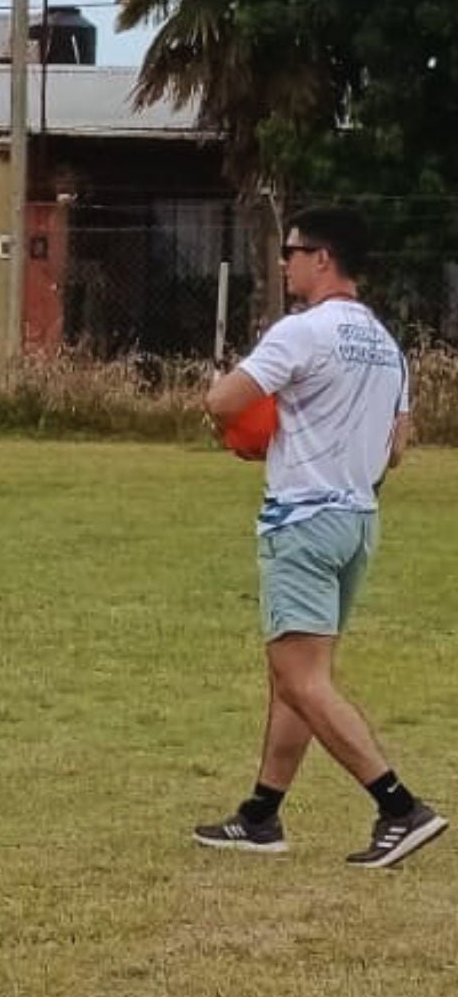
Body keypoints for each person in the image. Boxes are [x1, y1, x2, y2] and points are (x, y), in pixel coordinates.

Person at [195, 207, 442, 868]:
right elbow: (397, 449)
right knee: (294, 676)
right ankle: (261, 815)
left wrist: (220, 390)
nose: (285, 262)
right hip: (357, 522)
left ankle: (399, 807)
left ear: (323, 258)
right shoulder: (385, 345)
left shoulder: (302, 332)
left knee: (302, 681)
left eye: (294, 251)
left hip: (301, 520)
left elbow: (224, 404)